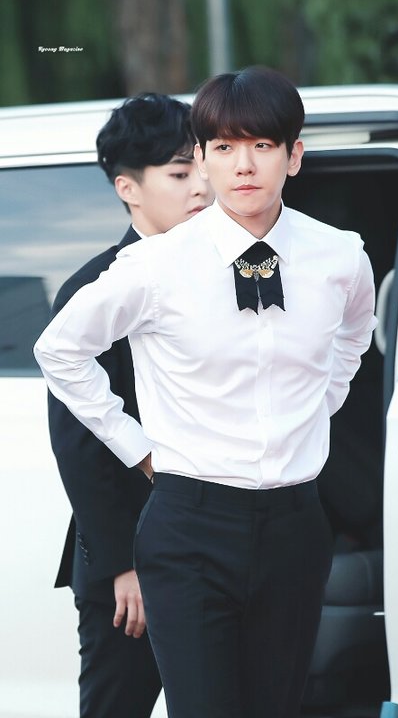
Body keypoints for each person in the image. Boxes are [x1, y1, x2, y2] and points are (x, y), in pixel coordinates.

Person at [35, 66, 377, 718]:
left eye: (262, 145)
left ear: (293, 156)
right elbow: (60, 350)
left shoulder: (339, 256)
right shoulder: (156, 264)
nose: (243, 165)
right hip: (189, 525)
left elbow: (355, 335)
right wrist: (138, 448)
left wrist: (318, 406)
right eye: (224, 147)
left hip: (296, 524)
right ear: (202, 158)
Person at [47, 92, 213, 718]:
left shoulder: (226, 271)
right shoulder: (95, 288)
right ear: (128, 188)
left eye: (202, 168)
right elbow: (81, 445)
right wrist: (124, 564)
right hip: (132, 563)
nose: (201, 187)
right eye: (180, 173)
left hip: (215, 547)